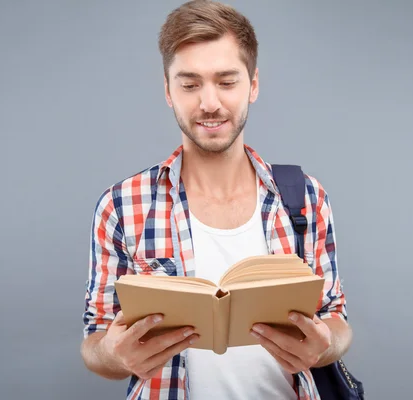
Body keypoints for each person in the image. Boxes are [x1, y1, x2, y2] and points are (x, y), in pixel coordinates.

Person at [80, 1, 352, 399]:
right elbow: (95, 341)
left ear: (253, 85)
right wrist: (113, 354)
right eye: (190, 84)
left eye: (227, 82)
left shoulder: (306, 197)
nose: (209, 103)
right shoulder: (120, 205)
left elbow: (336, 318)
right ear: (168, 91)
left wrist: (326, 345)